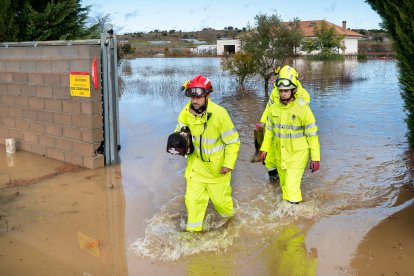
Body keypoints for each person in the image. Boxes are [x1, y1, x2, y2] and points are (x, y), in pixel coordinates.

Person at [173, 75, 240, 231]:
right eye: (192, 97)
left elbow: (232, 142)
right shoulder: (185, 112)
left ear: (207, 95)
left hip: (217, 171)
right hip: (195, 169)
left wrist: (228, 165)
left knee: (222, 204)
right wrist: (177, 142)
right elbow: (179, 132)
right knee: (192, 202)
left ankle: (233, 228)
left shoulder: (220, 114)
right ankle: (192, 236)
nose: (194, 101)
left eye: (198, 97)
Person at [259, 68, 320, 204]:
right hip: (281, 153)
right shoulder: (274, 108)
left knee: (291, 188)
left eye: (286, 91)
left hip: (298, 154)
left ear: (293, 90)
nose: (283, 94)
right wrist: (264, 150)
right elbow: (269, 132)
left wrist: (315, 158)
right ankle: (289, 218)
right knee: (285, 186)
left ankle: (294, 219)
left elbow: (312, 136)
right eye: (280, 91)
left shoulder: (303, 108)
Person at [252, 65, 311, 183]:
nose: (283, 90)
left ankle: (288, 182)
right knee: (269, 158)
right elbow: (269, 107)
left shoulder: (303, 95)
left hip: (289, 133)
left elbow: (303, 116)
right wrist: (263, 122)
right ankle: (274, 184)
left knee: (288, 162)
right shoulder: (276, 91)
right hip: (275, 128)